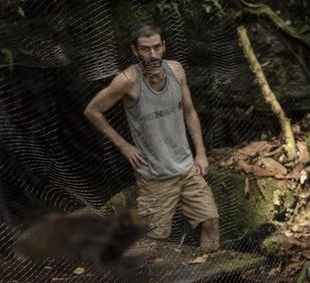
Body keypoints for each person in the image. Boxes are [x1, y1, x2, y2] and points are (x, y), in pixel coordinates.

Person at [83, 24, 219, 249]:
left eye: (157, 47)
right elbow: (92, 111)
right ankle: (146, 282)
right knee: (154, 239)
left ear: (164, 46)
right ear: (135, 51)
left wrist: (201, 153)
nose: (153, 54)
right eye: (146, 49)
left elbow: (190, 111)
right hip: (155, 176)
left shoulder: (176, 71)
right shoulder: (127, 80)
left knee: (211, 220)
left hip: (187, 169)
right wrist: (124, 146)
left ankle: (213, 273)